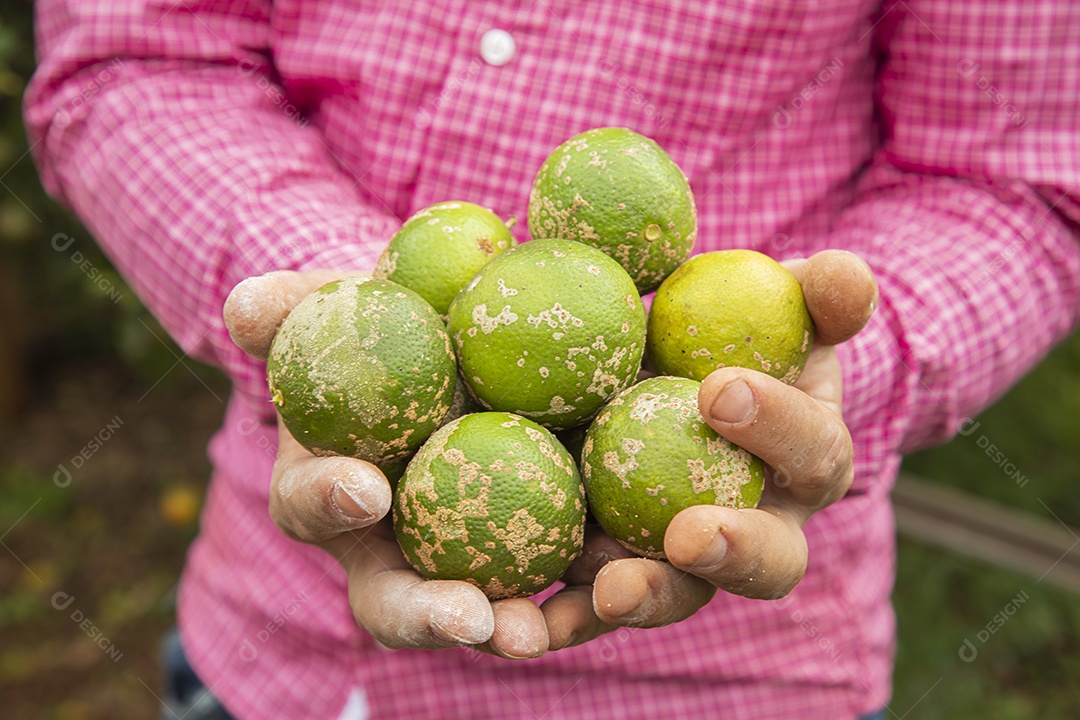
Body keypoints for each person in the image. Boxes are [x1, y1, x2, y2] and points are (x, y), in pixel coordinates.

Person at [24, 1, 1079, 719]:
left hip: (728, 683)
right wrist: (344, 311)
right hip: (273, 656)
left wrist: (824, 385)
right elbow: (136, 52)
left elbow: (1019, 180)